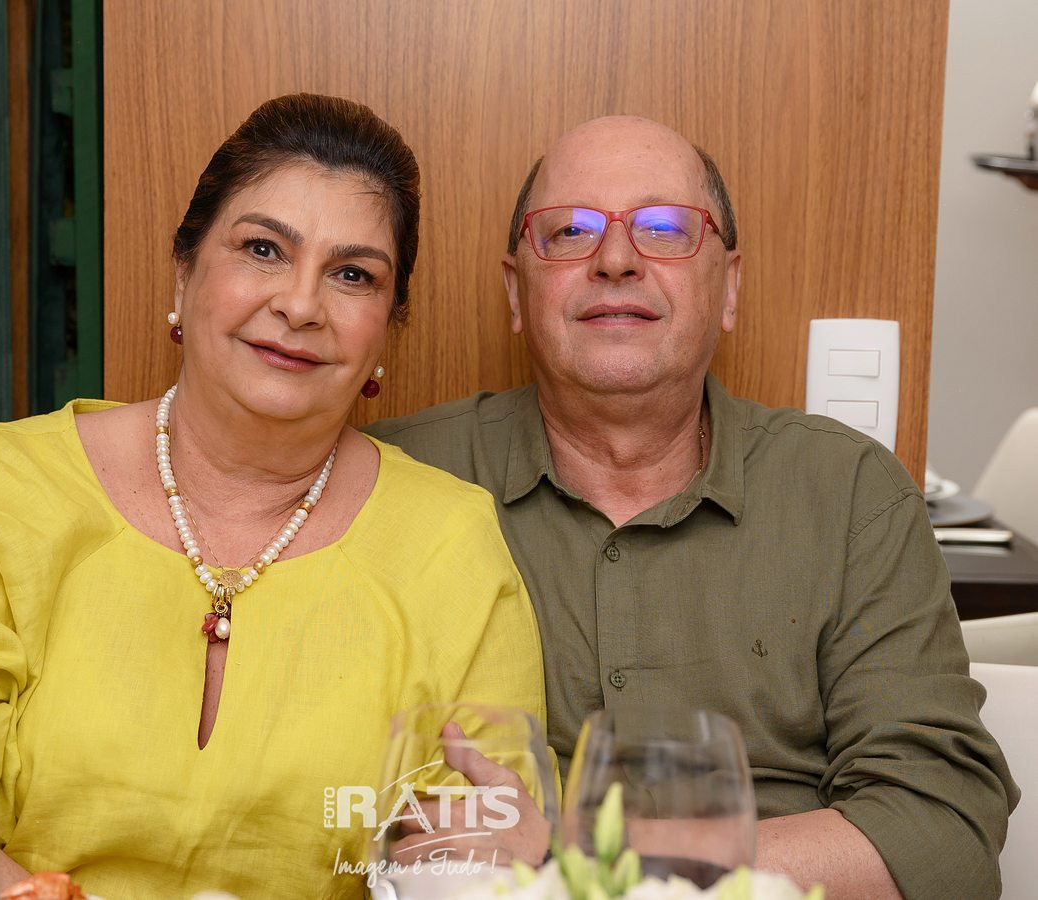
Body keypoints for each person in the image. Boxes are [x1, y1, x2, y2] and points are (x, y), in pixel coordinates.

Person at [0, 93, 546, 899]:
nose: (300, 305)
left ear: (386, 330)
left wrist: (476, 861)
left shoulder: (448, 543)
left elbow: (473, 848)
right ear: (184, 274)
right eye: (263, 249)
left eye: (353, 275)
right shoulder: (5, 488)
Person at [367, 115, 1020, 899]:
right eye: (570, 231)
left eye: (665, 228)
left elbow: (943, 830)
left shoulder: (848, 495)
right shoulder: (392, 480)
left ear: (729, 287)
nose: (615, 259)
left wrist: (579, 855)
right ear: (516, 289)